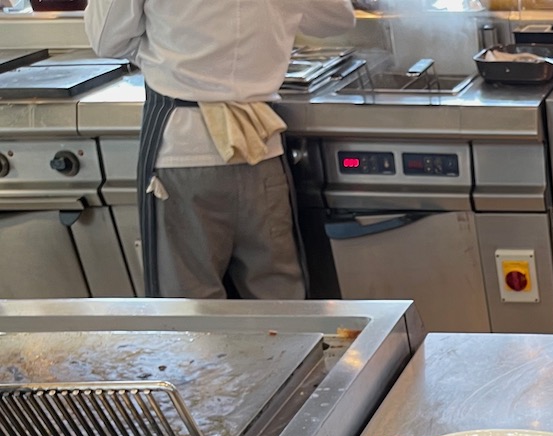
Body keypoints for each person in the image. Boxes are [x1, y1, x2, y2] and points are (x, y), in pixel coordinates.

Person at [85, 0, 356, 299]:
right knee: (279, 305)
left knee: (191, 312)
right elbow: (336, 19)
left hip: (183, 153)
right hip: (260, 150)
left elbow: (105, 40)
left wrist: (158, 50)